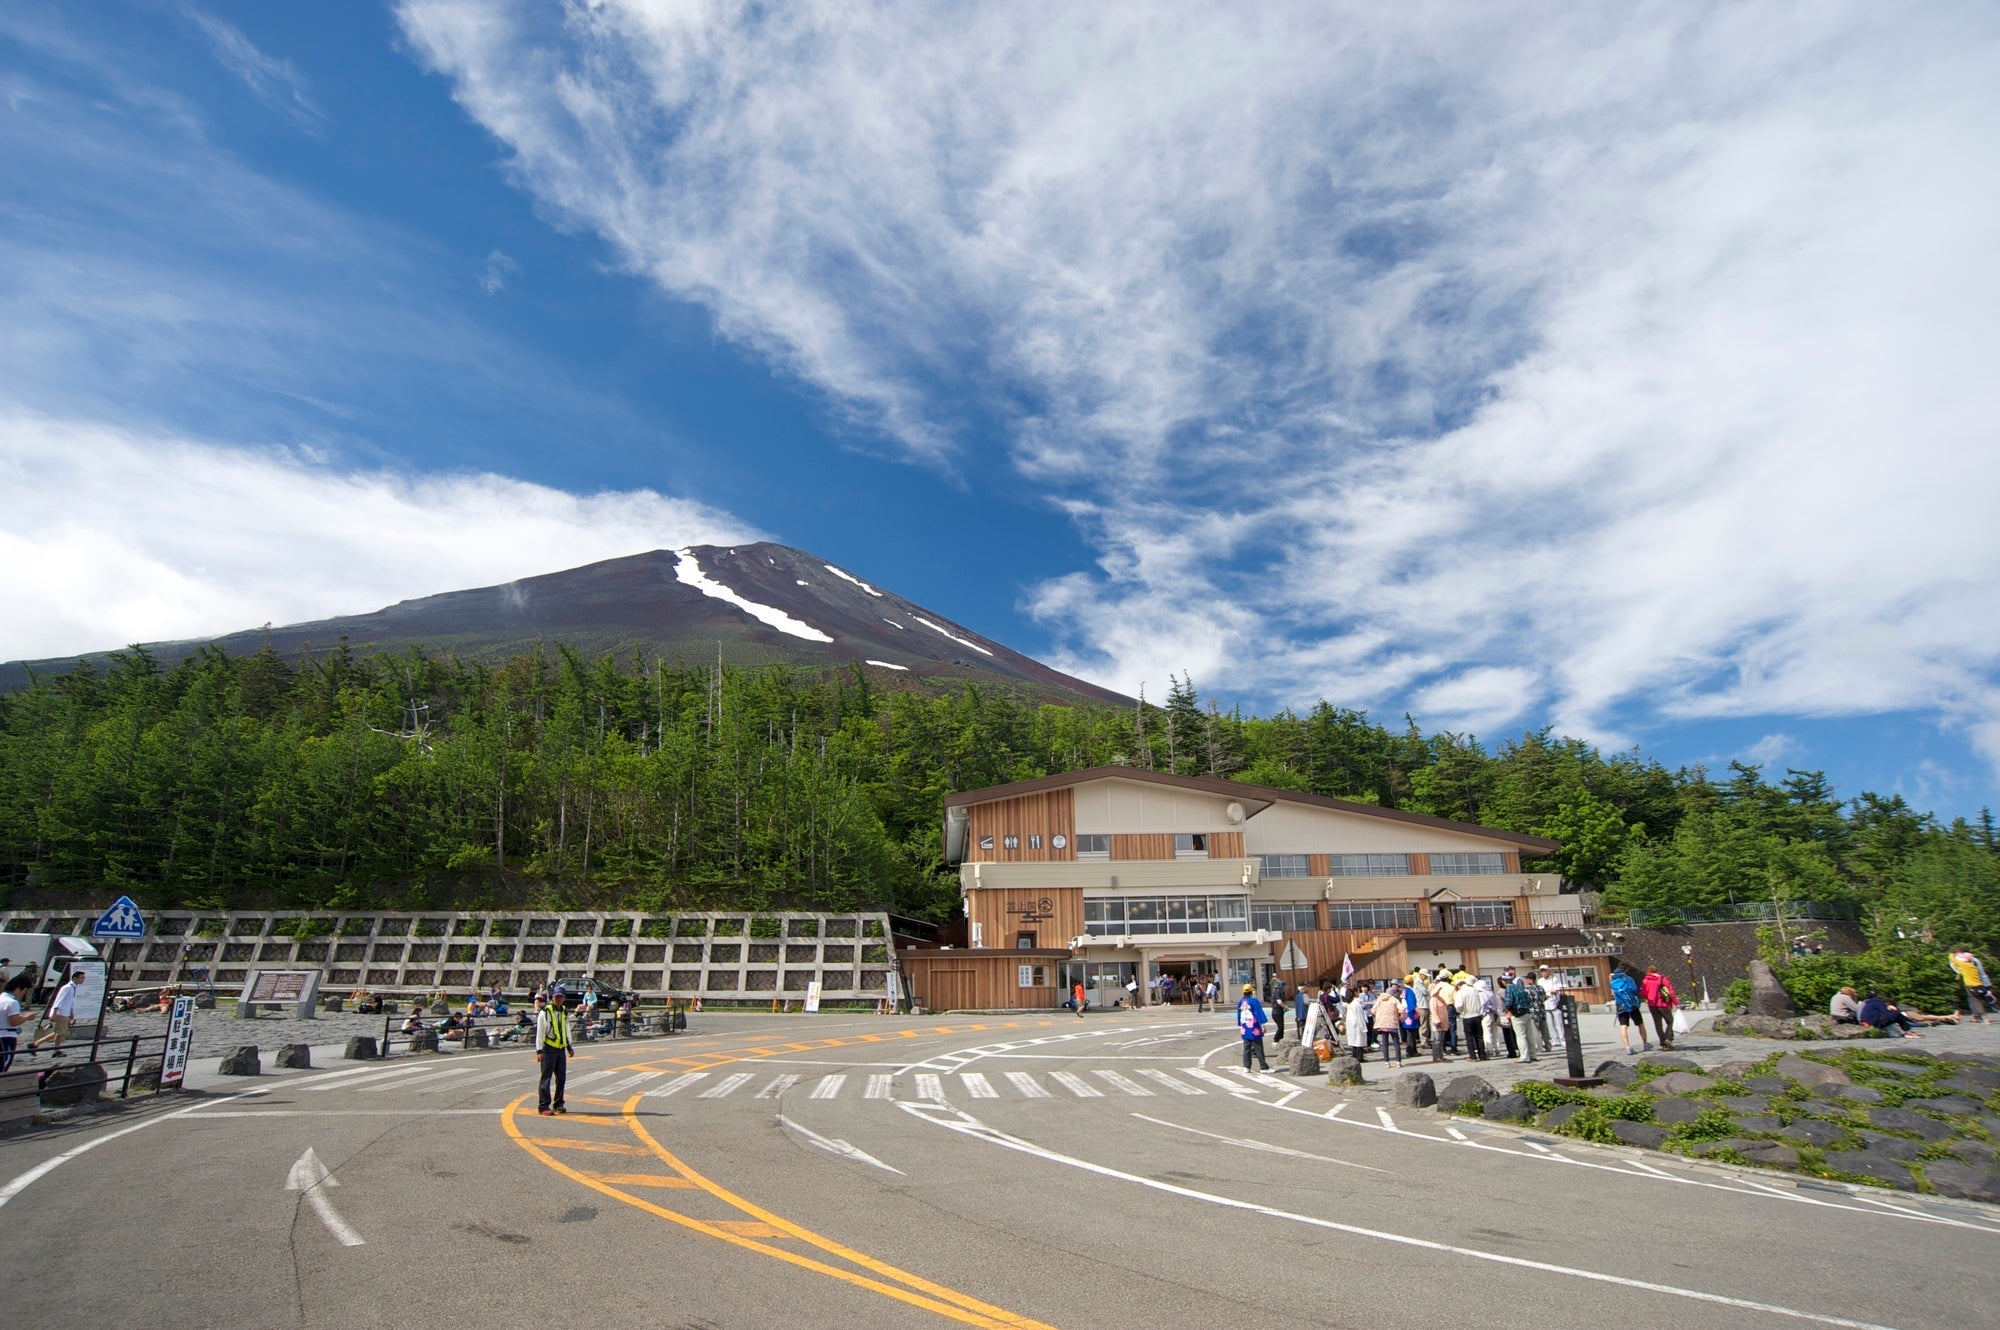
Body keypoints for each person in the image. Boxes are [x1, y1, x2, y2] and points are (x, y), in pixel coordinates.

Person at [536, 987, 574, 1114]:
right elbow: (540, 1032)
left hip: (560, 1048)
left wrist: (569, 1046)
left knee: (561, 1078)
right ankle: (543, 1106)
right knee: (546, 1078)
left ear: (564, 998)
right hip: (548, 1048)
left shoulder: (564, 1012)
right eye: (556, 997)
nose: (558, 999)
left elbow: (566, 1029)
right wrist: (539, 1051)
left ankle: (558, 1103)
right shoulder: (545, 1012)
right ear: (552, 998)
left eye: (561, 997)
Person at [31, 968, 82, 1057]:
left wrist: (71, 1012)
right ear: (75, 978)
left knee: (59, 1032)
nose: (82, 980)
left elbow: (70, 1001)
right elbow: (59, 1000)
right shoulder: (67, 988)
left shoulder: (73, 988)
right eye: (81, 978)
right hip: (60, 1013)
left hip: (65, 1013)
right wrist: (54, 1013)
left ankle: (36, 1044)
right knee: (60, 1033)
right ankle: (56, 1050)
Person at [1949, 947, 1995, 1024]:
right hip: (1980, 984)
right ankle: (1977, 1016)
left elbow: (1955, 964)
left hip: (1971, 985)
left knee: (1975, 1000)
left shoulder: (1964, 965)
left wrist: (1951, 955)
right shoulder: (1973, 964)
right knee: (1985, 999)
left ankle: (1982, 1017)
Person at [1610, 966, 1648, 1053]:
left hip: (1620, 1005)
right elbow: (1635, 990)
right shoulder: (1628, 979)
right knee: (1640, 1023)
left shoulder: (1613, 981)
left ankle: (1628, 1047)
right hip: (1632, 1004)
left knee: (1623, 1026)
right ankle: (1645, 1044)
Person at [0, 974, 34, 1071]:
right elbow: (14, 1021)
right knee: (4, 1064)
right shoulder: (12, 1002)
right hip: (7, 1037)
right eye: (24, 990)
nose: (23, 993)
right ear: (19, 988)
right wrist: (27, 1017)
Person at [1505, 972, 1540, 1063]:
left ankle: (1524, 1056)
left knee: (1521, 1036)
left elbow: (1508, 1003)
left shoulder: (1509, 988)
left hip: (1518, 1014)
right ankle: (1533, 1055)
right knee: (1529, 1035)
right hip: (1527, 1012)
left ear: (1504, 981)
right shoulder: (1520, 988)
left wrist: (1508, 1011)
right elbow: (1529, 1000)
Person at [1641, 966, 1679, 1051]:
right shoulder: (1662, 979)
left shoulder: (1645, 981)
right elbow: (1671, 992)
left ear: (1649, 971)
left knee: (1658, 1024)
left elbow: (1644, 993)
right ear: (1657, 971)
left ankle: (1662, 1042)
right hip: (1663, 1003)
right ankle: (1668, 1038)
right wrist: (1676, 1003)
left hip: (1652, 1005)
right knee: (1670, 1021)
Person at [1236, 984, 1270, 1072]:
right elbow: (1258, 1013)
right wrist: (1262, 1025)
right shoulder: (1254, 1001)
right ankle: (1263, 1066)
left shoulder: (1241, 1002)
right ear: (1251, 992)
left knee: (1247, 1048)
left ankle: (1246, 1066)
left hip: (1245, 1028)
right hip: (1255, 1028)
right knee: (1258, 1047)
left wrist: (1240, 1024)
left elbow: (1239, 1015)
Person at [1371, 984, 1405, 1066]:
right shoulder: (1394, 1000)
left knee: (1385, 1042)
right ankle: (1398, 1062)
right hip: (1392, 1022)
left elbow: (1373, 1010)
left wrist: (1379, 1015)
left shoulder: (1380, 999)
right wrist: (1400, 1017)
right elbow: (1402, 1009)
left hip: (1382, 1023)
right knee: (1396, 1042)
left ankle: (1387, 1062)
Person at [1454, 974, 1487, 1060]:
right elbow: (1481, 1003)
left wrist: (1460, 1011)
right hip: (1477, 1015)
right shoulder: (1475, 990)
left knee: (1469, 1037)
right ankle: (1482, 1055)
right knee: (1479, 1036)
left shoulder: (1461, 992)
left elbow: (1459, 1005)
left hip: (1467, 1016)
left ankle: (1472, 1056)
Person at [1538, 965, 1566, 1050]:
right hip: (1546, 1004)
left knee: (1559, 1023)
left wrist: (1547, 992)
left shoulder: (1554, 979)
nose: (1544, 972)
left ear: (1548, 971)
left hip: (1555, 1003)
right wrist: (1547, 992)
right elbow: (1540, 992)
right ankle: (1554, 1039)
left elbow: (1555, 990)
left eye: (1545, 970)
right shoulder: (1540, 981)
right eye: (1542, 971)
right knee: (1550, 1024)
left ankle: (1562, 1039)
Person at [1344, 986, 1371, 1061]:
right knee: (1359, 1040)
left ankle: (1355, 1056)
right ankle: (1359, 1057)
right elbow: (1359, 1015)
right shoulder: (1356, 1003)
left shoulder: (1351, 1003)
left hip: (1351, 1024)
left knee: (1355, 1041)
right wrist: (1363, 1025)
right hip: (1357, 1023)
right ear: (1355, 993)